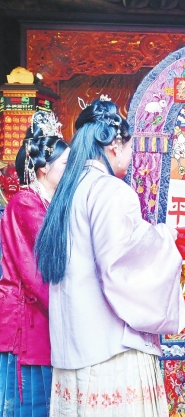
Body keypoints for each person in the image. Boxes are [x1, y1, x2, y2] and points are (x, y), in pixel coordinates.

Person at [35, 97, 185, 416]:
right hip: (111, 352)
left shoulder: (68, 190)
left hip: (73, 347)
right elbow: (121, 264)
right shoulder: (110, 190)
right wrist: (163, 237)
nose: (132, 157)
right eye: (131, 148)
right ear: (115, 146)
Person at [0, 111, 69, 416]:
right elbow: (37, 272)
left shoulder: (47, 203)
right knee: (30, 405)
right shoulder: (26, 202)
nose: (71, 170)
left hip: (42, 315)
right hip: (26, 320)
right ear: (43, 168)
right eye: (65, 164)